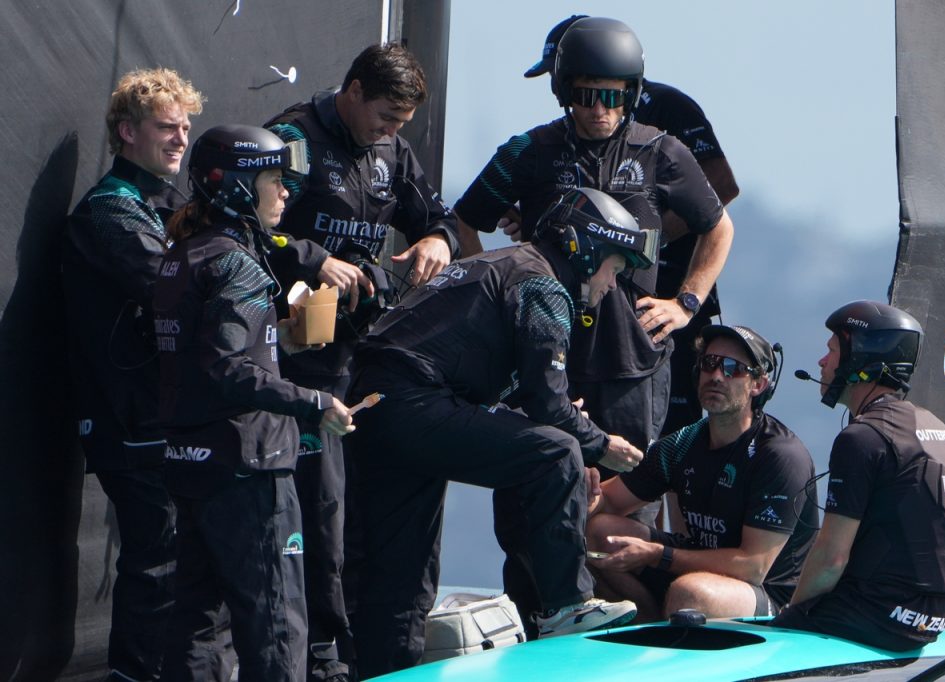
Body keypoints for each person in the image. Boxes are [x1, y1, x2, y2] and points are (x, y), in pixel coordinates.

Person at [455, 15, 733, 634]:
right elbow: (463, 219)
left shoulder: (662, 150)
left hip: (632, 363)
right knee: (529, 501)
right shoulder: (529, 150)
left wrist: (685, 303)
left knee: (619, 515)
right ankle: (535, 628)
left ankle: (630, 635)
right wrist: (495, 301)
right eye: (586, 95)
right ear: (564, 92)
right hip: (542, 356)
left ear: (631, 94)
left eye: (613, 96)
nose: (600, 109)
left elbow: (718, 225)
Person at [347, 188, 652, 677]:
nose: (612, 286)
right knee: (557, 452)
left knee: (403, 574)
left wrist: (543, 413)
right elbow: (550, 405)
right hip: (414, 401)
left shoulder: (503, 263)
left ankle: (373, 672)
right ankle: (566, 605)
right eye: (613, 269)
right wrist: (601, 444)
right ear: (585, 252)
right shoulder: (543, 284)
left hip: (378, 407)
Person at [264, 42, 459, 681]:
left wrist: (436, 240)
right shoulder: (294, 137)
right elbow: (244, 225)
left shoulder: (391, 152)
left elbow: (441, 219)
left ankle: (365, 653)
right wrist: (313, 257)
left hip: (363, 358)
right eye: (385, 117)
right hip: (294, 360)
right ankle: (319, 658)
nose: (391, 131)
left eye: (402, 122)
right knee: (316, 514)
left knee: (364, 512)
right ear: (352, 91)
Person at [153, 125, 354, 681]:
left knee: (197, 625)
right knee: (277, 624)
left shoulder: (181, 255)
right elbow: (227, 369)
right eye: (274, 179)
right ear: (238, 186)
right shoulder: (237, 262)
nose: (285, 192)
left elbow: (201, 355)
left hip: (190, 462)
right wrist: (315, 401)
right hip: (248, 467)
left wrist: (279, 341)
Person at [521, 14, 741, 433]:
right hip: (593, 303)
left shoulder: (667, 107)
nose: (574, 97)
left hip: (664, 291)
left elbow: (722, 187)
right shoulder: (564, 133)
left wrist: (639, 241)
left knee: (668, 429)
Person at [62, 67, 205, 682]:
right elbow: (172, 292)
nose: (181, 139)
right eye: (167, 127)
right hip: (128, 416)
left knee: (182, 556)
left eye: (186, 128)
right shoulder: (109, 211)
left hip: (163, 414)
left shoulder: (168, 206)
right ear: (126, 132)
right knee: (159, 556)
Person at [772, 301, 945, 651]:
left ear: (860, 359)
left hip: (875, 618)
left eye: (832, 351)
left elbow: (831, 559)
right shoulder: (935, 427)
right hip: (931, 623)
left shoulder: (863, 437)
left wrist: (790, 617)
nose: (822, 362)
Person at [586, 324, 818, 622]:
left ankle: (665, 631)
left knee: (690, 593)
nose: (717, 376)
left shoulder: (779, 455)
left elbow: (753, 566)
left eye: (733, 368)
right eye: (709, 363)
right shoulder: (683, 443)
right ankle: (648, 626)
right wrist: (582, 490)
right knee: (601, 532)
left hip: (769, 595)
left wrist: (658, 555)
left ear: (759, 385)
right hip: (697, 569)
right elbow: (608, 501)